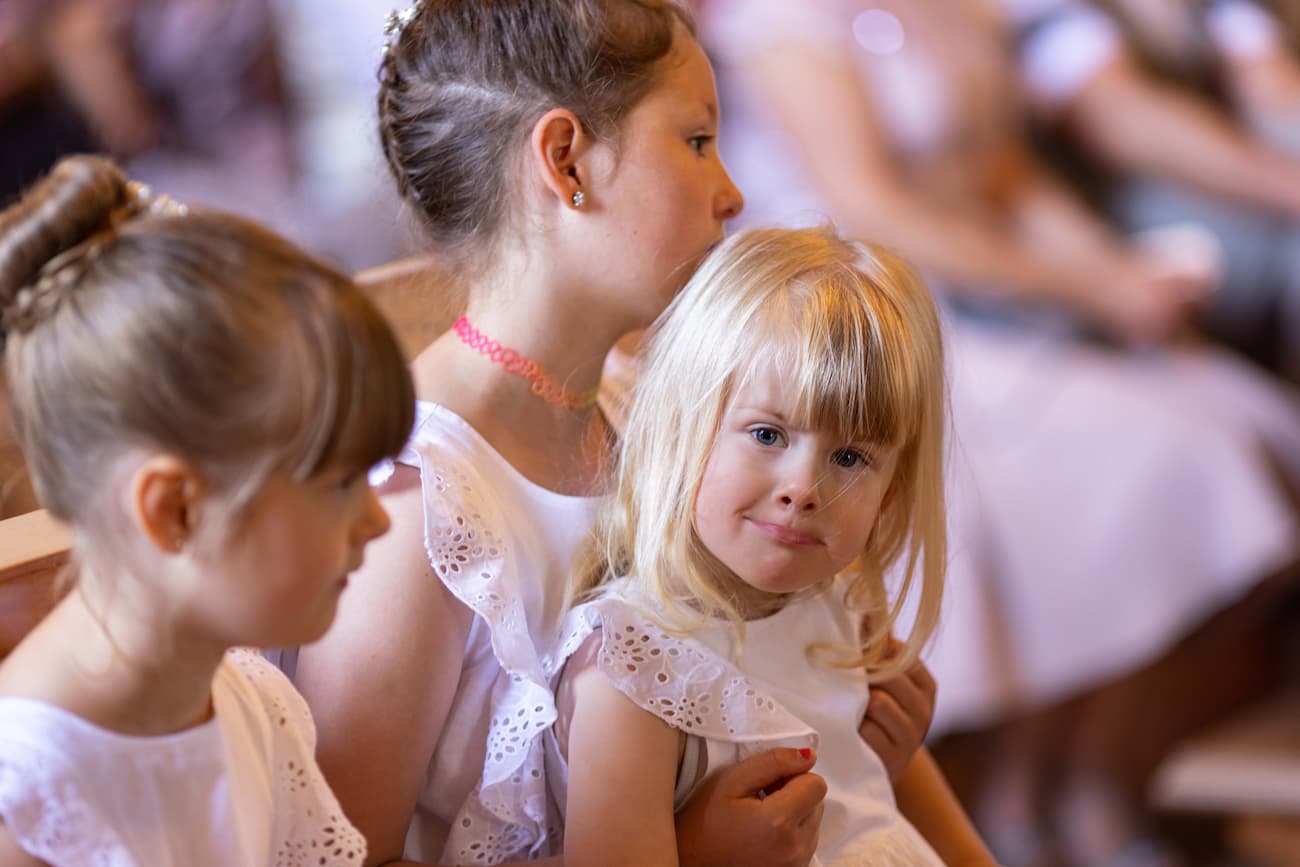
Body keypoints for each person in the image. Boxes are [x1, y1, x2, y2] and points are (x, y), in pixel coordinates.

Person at [288, 3, 937, 865]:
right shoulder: (418, 514)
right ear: (566, 162)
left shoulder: (649, 408)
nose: (732, 191)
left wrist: (847, 734)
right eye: (698, 140)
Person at [700, 1, 1300, 864]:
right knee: (1175, 449)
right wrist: (1078, 285)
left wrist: (1118, 271)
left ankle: (1079, 775)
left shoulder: (968, 10)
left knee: (1246, 419)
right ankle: (1028, 800)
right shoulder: (788, 20)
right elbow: (870, 210)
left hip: (988, 299)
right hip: (859, 322)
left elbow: (1009, 176)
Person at [0, 154, 415, 865]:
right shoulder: (28, 803)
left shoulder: (251, 698)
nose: (379, 520)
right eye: (341, 483)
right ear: (176, 510)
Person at [545, 226, 994, 867]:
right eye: (767, 434)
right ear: (682, 424)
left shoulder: (843, 604)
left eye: (849, 456)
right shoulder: (633, 670)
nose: (803, 489)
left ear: (892, 490)